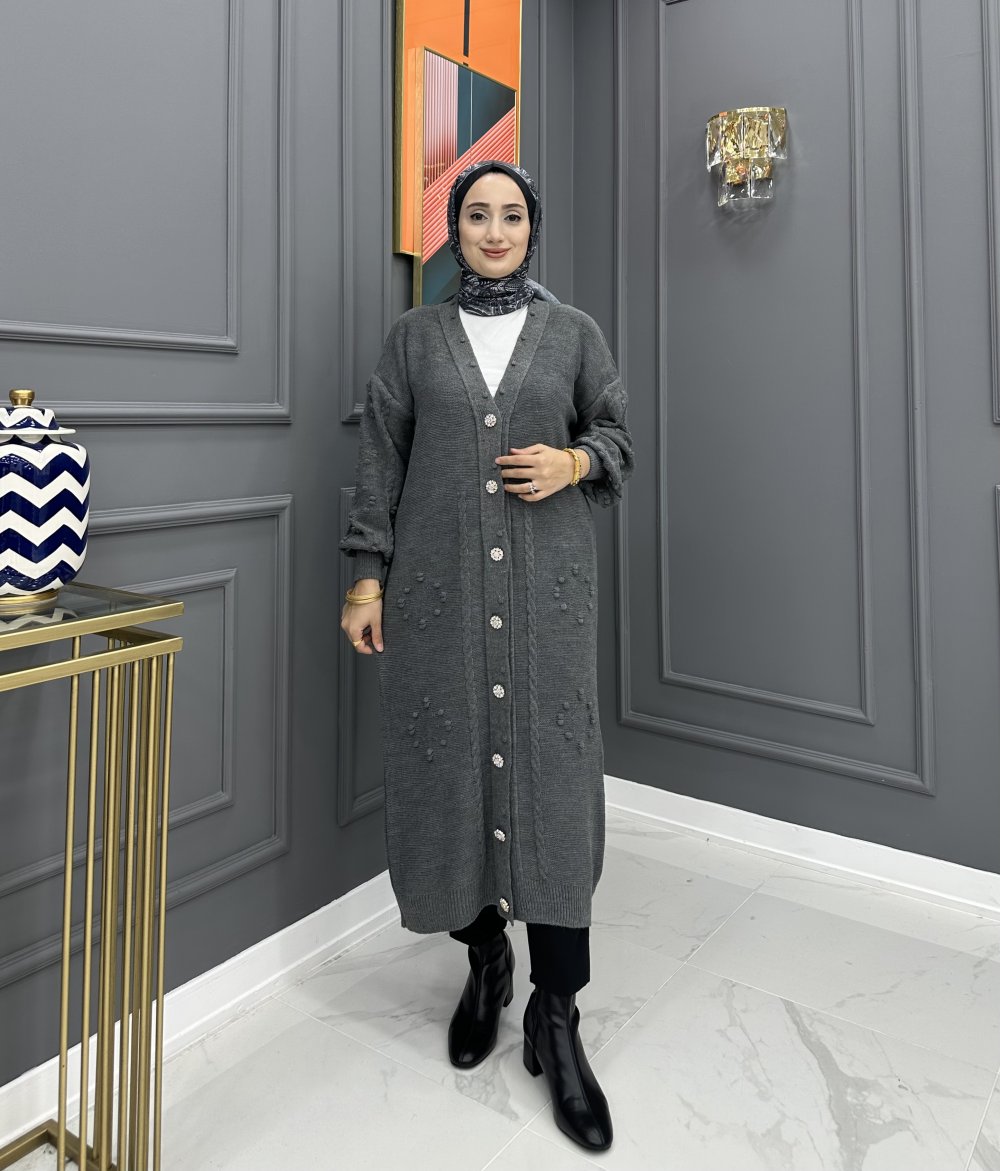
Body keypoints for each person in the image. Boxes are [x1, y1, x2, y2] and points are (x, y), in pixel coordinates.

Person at [339, 158, 634, 1153]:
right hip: (437, 602)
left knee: (552, 787)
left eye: (512, 214)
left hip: (548, 602)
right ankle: (485, 961)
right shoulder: (414, 339)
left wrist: (573, 460)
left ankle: (557, 1014)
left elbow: (619, 437)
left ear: (531, 228)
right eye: (477, 214)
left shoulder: (574, 334)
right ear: (453, 229)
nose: (496, 230)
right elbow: (379, 460)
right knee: (446, 775)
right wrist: (366, 578)